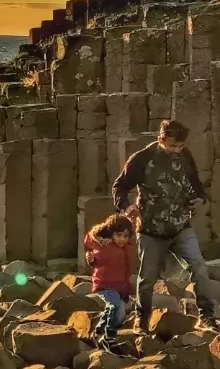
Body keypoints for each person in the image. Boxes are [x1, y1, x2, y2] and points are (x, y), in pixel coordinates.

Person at [112, 118, 215, 332]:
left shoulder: (184, 155)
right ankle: (142, 319)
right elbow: (120, 185)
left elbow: (194, 180)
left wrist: (200, 197)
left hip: (181, 227)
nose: (176, 150)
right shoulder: (142, 159)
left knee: (199, 267)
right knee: (147, 277)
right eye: (171, 145)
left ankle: (206, 317)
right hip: (151, 230)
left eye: (180, 145)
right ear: (160, 139)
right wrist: (125, 206)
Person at [84, 214, 135, 351]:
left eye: (125, 236)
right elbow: (92, 244)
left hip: (120, 286)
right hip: (104, 284)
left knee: (111, 309)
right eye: (118, 235)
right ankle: (109, 337)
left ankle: (98, 332)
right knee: (118, 309)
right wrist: (91, 260)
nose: (122, 239)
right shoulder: (104, 244)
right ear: (111, 233)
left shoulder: (126, 247)